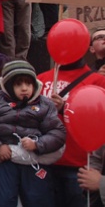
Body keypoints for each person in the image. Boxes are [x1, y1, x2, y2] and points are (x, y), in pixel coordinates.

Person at [0, 60, 66, 207]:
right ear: (9, 85)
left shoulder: (44, 104)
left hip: (34, 160)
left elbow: (58, 132)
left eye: (28, 84)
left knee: (39, 199)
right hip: (5, 159)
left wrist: (37, 144)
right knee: (3, 200)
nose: (24, 88)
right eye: (18, 84)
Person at [38, 57, 105, 207]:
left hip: (80, 167)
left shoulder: (98, 81)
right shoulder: (40, 79)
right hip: (44, 162)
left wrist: (65, 107)